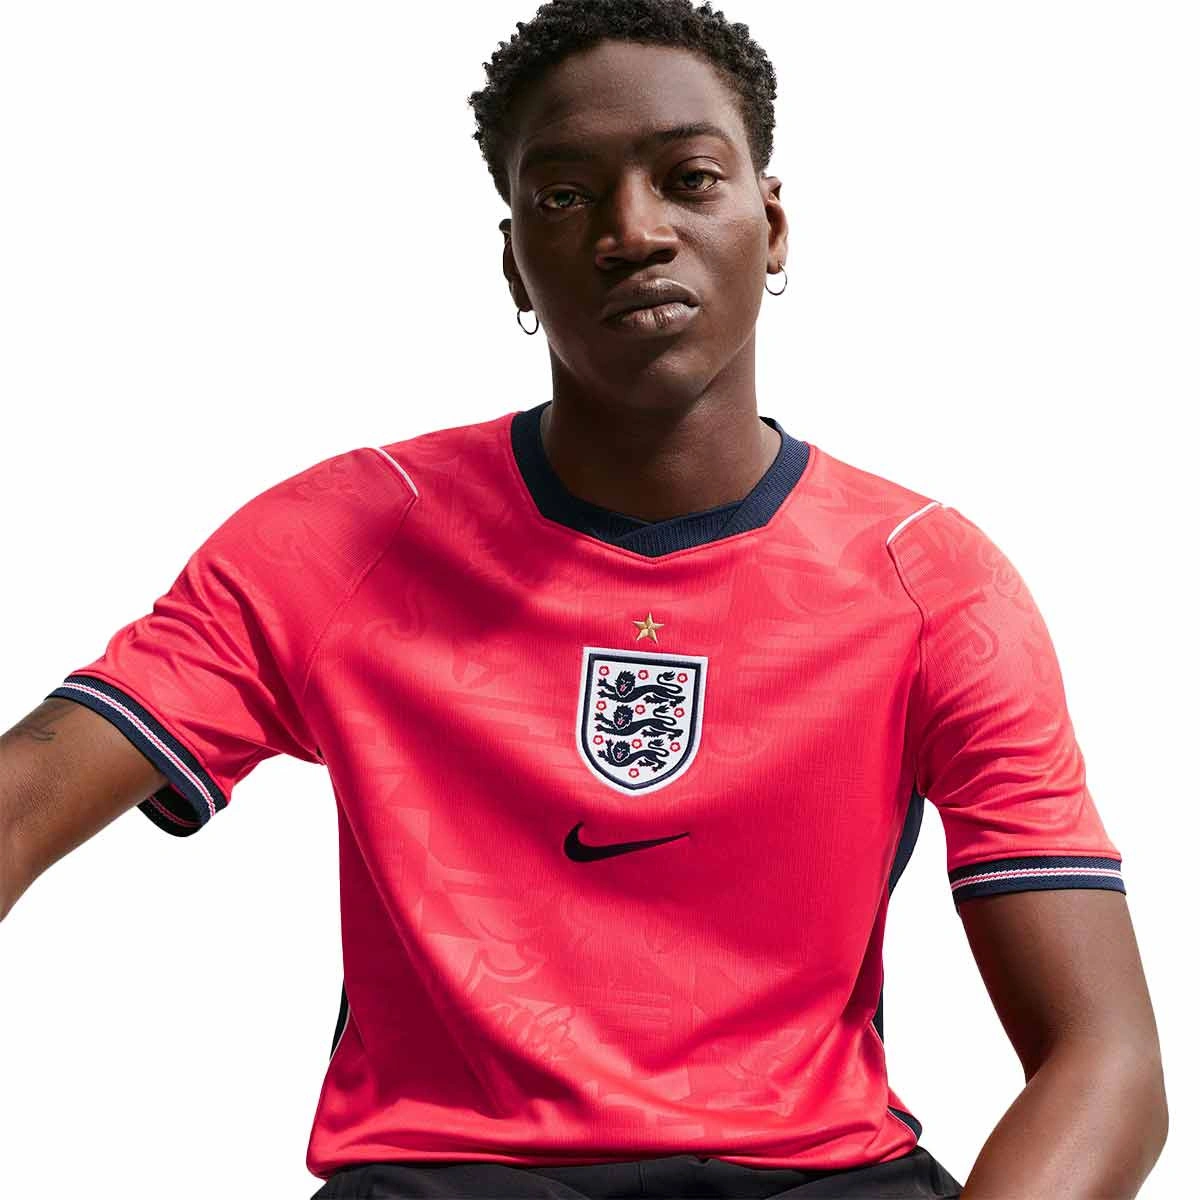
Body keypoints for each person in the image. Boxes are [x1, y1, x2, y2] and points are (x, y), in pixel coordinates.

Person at [0, 1, 1167, 1198]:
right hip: (450, 1182)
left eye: (690, 178)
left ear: (770, 226)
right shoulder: (347, 538)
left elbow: (1107, 1059)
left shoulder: (927, 578)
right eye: (566, 195)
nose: (634, 232)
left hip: (817, 1181)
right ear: (515, 260)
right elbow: (22, 803)